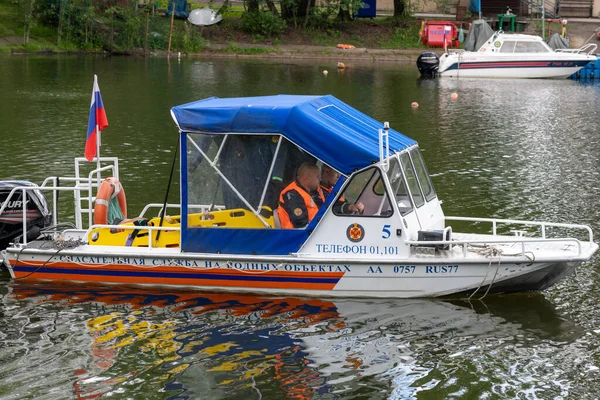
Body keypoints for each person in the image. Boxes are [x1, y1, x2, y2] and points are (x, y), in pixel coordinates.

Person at [278, 163, 325, 228]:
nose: (320, 179)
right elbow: (300, 222)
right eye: (317, 176)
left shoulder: (309, 192)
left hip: (313, 232)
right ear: (307, 179)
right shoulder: (292, 194)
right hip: (298, 236)